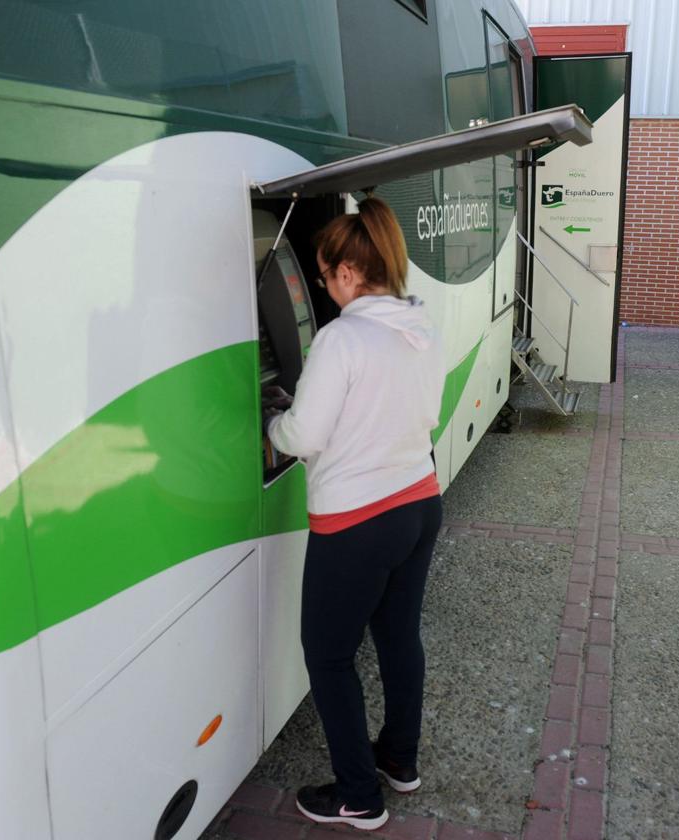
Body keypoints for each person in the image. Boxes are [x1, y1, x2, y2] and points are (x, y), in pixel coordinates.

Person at [265, 197, 445, 831]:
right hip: (420, 501)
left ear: (345, 272)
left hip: (358, 521)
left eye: (321, 276)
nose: (322, 287)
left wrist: (273, 421)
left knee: (329, 653)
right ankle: (399, 760)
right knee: (399, 639)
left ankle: (359, 797)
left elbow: (304, 434)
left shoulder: (342, 337)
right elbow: (422, 414)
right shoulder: (422, 326)